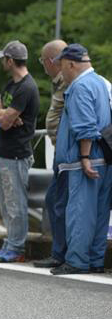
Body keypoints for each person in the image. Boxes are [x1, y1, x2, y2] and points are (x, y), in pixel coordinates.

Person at [49, 44, 112, 274]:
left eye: (61, 65)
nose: (60, 71)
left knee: (80, 212)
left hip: (84, 159)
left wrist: (84, 156)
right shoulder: (100, 83)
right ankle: (95, 261)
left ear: (71, 64)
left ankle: (76, 261)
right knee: (100, 213)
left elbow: (85, 126)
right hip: (104, 159)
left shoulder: (80, 86)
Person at [0, 40, 40, 263]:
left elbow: (6, 122)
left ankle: (17, 247)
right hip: (4, 152)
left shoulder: (26, 87)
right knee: (6, 202)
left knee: (16, 203)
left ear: (11, 60)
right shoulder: (11, 85)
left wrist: (4, 115)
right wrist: (4, 114)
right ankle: (10, 243)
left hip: (17, 153)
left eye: (4, 59)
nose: (2, 63)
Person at [33, 39, 69, 269]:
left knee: (56, 200)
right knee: (55, 200)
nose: (43, 66)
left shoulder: (68, 80)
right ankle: (60, 252)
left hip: (67, 151)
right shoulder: (60, 80)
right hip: (62, 149)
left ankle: (61, 254)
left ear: (49, 61)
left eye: (43, 61)